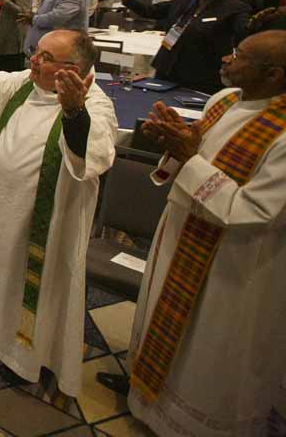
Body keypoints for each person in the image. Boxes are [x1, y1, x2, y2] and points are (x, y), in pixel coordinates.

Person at [101, 31, 286, 437]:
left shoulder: (282, 136)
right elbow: (194, 154)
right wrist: (173, 143)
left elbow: (252, 211)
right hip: (181, 229)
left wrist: (189, 158)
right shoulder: (225, 101)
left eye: (239, 56)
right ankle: (143, 393)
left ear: (273, 75)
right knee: (157, 312)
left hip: (231, 261)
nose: (226, 59)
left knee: (203, 346)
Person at [0, 13, 117, 396]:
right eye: (36, 52)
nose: (34, 61)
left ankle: (25, 359)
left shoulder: (95, 103)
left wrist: (74, 112)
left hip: (46, 225)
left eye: (45, 57)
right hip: (1, 209)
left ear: (74, 70)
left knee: (31, 289)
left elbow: (93, 156)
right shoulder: (23, 85)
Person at [100, 0, 250, 93]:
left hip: (201, 75)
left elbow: (244, 34)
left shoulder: (234, 9)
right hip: (167, 67)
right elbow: (149, 11)